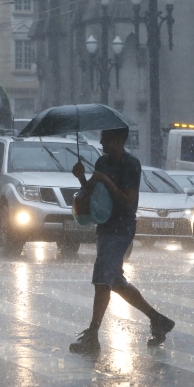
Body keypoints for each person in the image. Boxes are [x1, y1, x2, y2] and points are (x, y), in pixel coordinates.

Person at [69, 127, 175, 353]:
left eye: (105, 139)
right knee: (114, 281)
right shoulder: (102, 163)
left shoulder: (131, 165)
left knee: (102, 280)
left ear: (118, 141)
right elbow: (93, 195)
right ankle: (158, 319)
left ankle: (93, 334)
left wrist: (106, 180)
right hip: (105, 226)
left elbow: (127, 200)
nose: (102, 143)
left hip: (121, 228)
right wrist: (82, 179)